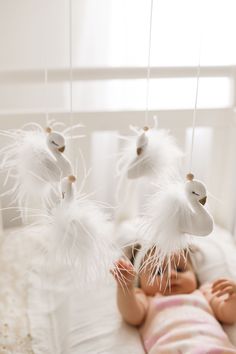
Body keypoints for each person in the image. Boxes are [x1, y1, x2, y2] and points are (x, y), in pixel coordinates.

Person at [112, 250, 236, 353]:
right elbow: (132, 315)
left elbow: (229, 315)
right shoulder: (147, 299)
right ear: (141, 284)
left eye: (180, 269)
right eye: (158, 271)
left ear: (195, 276)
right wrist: (127, 287)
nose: (171, 274)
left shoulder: (203, 293)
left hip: (215, 348)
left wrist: (233, 296)